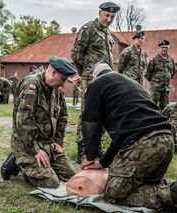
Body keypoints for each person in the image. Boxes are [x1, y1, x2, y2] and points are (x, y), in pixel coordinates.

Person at [81, 61, 177, 213]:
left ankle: (174, 194)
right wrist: (104, 162)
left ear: (94, 76)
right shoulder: (130, 83)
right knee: (147, 185)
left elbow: (91, 124)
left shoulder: (95, 85)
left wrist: (89, 156)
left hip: (143, 143)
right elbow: (121, 135)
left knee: (113, 195)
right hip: (167, 140)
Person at [1, 56, 80, 188]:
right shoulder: (32, 85)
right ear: (53, 73)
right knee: (51, 183)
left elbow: (62, 117)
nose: (63, 84)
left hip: (48, 144)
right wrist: (35, 151)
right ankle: (18, 161)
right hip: (28, 144)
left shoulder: (56, 91)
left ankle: (36, 163)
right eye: (63, 79)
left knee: (71, 176)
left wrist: (57, 142)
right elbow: (23, 122)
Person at [71, 1, 120, 164]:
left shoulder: (108, 34)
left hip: (106, 79)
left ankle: (96, 145)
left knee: (104, 112)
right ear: (99, 13)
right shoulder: (88, 29)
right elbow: (76, 53)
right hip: (91, 79)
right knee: (88, 113)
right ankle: (82, 149)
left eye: (112, 17)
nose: (109, 19)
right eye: (107, 15)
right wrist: (84, 73)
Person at [145, 39, 177, 110]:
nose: (164, 49)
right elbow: (147, 73)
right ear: (160, 48)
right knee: (152, 106)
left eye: (166, 47)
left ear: (169, 48)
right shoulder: (154, 59)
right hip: (155, 89)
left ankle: (163, 120)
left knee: (165, 108)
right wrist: (154, 82)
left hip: (165, 89)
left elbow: (173, 72)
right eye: (162, 47)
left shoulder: (171, 60)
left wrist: (166, 79)